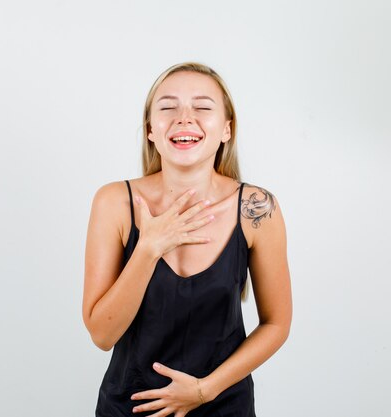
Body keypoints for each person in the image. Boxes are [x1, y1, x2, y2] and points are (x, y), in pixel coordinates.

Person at [82, 62, 292, 417]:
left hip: (224, 405)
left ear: (227, 129)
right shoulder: (114, 203)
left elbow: (277, 324)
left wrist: (203, 390)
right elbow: (102, 336)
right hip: (129, 408)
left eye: (202, 107)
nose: (184, 118)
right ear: (151, 130)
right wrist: (149, 248)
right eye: (168, 107)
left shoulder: (257, 209)